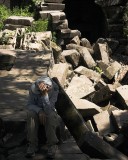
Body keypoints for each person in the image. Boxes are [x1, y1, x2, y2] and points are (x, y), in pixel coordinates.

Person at [26, 75, 60, 159]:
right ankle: (32, 145)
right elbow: (30, 105)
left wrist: (45, 95)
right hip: (37, 111)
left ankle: (52, 145)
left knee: (51, 116)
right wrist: (39, 111)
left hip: (49, 109)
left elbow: (49, 109)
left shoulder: (55, 90)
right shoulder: (33, 89)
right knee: (30, 114)